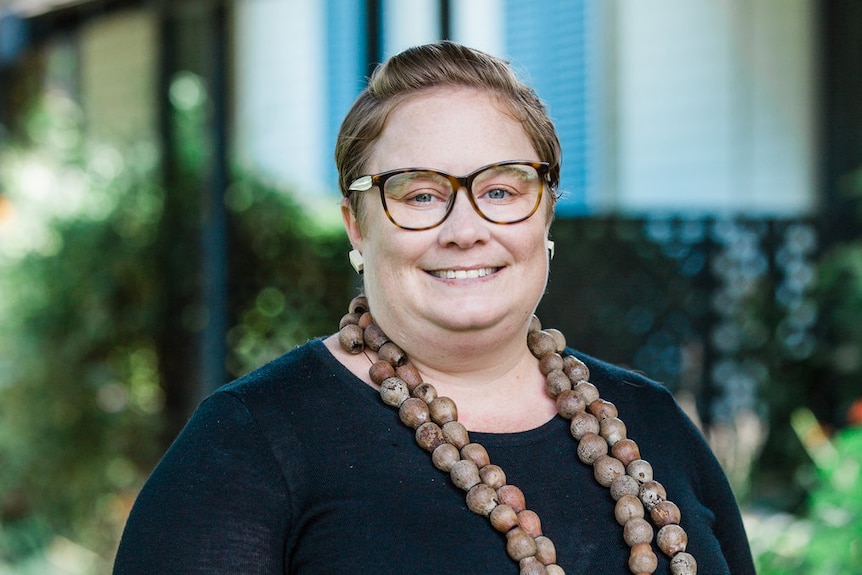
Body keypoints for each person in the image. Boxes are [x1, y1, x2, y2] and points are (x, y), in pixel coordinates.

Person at [113, 41, 755, 575]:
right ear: (358, 227)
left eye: (502, 188)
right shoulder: (250, 442)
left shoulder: (652, 422)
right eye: (420, 195)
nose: (465, 228)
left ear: (546, 214)